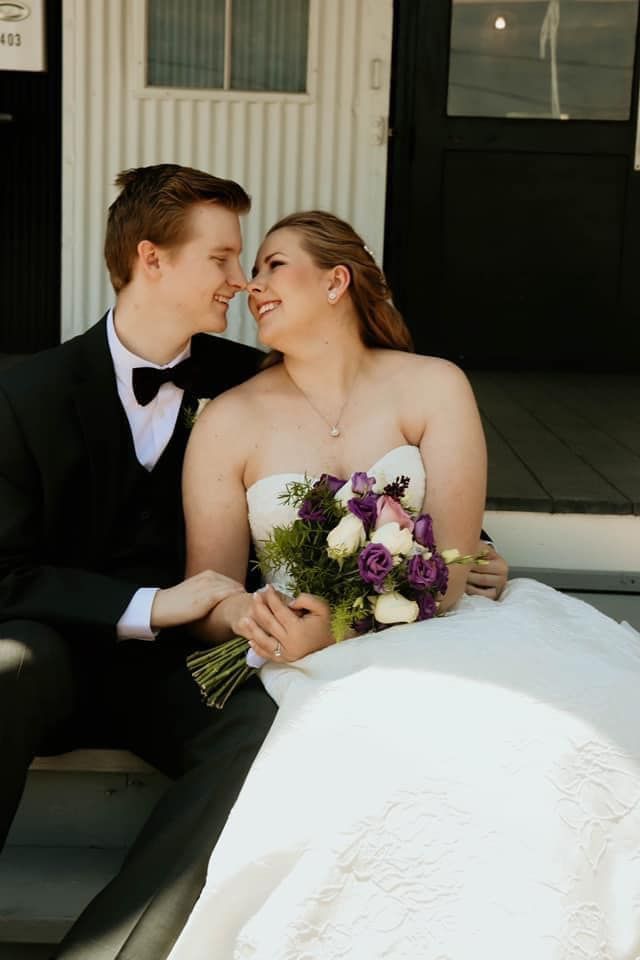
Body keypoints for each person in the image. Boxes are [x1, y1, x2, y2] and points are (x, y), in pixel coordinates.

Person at [167, 211, 640, 959]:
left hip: (438, 624)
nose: (254, 285)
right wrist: (246, 617)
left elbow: (450, 562)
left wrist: (344, 619)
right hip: (305, 658)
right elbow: (211, 590)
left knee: (554, 731)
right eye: (251, 270)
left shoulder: (433, 385)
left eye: (274, 264)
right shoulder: (228, 420)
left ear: (336, 280)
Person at [0, 164, 278, 960]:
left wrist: (463, 548)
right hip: (54, 661)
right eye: (221, 259)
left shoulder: (248, 382)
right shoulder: (28, 395)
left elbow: (344, 457)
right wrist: (152, 603)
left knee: (260, 720)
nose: (241, 279)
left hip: (183, 671)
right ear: (151, 260)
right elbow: (3, 575)